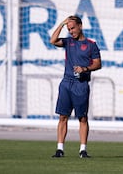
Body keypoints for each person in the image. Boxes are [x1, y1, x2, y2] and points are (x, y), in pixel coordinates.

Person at [50, 15, 102, 158]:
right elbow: (52, 40)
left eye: (72, 28)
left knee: (82, 118)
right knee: (63, 116)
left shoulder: (91, 45)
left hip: (81, 85)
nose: (71, 31)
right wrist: (61, 23)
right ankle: (60, 149)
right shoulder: (68, 42)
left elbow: (98, 64)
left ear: (80, 26)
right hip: (67, 83)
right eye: (69, 29)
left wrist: (85, 69)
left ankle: (83, 150)